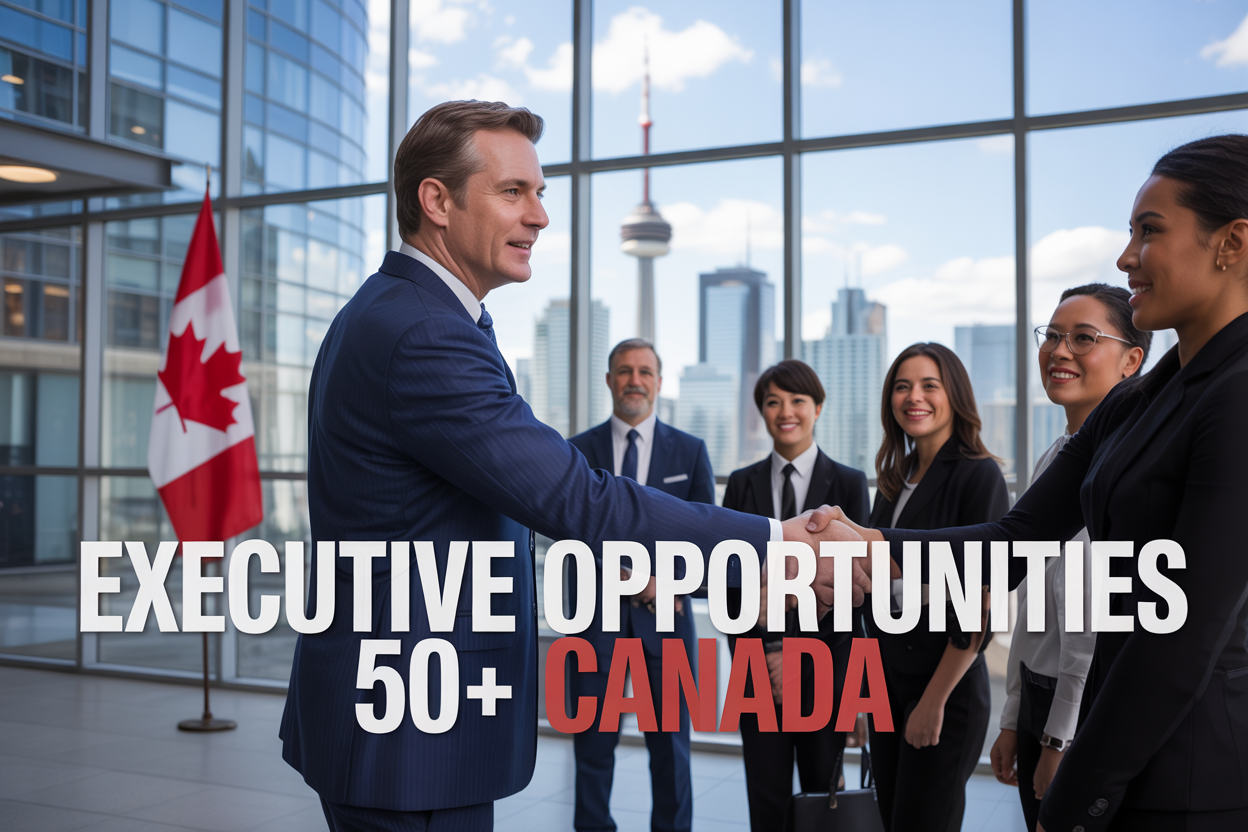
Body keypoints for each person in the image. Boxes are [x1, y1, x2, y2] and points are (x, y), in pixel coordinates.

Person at [280, 100, 861, 832]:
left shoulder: (402, 312)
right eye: (513, 191)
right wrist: (775, 545)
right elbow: (575, 497)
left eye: (542, 193)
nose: (541, 217)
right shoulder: (425, 333)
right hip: (411, 723)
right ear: (436, 201)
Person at [813, 133, 1248, 831]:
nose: (1125, 256)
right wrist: (868, 541)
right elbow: (1014, 540)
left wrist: (1077, 791)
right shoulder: (1147, 397)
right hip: (1124, 747)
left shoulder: (1235, 394)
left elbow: (1184, 635)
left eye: (1149, 231)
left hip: (1194, 775)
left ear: (1232, 242)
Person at [988, 284, 1149, 832]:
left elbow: (1089, 626)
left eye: (1083, 338)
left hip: (1081, 712)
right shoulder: (1054, 457)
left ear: (1132, 360)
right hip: (1038, 700)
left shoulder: (1122, 474)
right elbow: (1033, 605)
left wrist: (1060, 737)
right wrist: (1014, 718)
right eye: (1053, 336)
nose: (1059, 351)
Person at [566, 338, 715, 832]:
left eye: (644, 371)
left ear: (658, 381)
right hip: (595, 625)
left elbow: (706, 537)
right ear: (609, 380)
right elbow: (568, 530)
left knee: (671, 751)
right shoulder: (576, 451)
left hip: (666, 624)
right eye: (624, 371)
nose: (634, 380)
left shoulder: (689, 452)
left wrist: (659, 583)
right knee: (592, 746)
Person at [860, 342, 1008, 832]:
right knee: (894, 820)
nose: (913, 397)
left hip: (942, 685)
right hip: (887, 679)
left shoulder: (977, 474)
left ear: (955, 395)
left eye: (929, 385)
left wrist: (933, 700)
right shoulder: (895, 477)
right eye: (902, 386)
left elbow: (980, 601)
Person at [721, 359, 870, 832]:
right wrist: (763, 654)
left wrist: (839, 683)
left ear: (818, 408)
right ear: (762, 413)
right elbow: (729, 585)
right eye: (773, 401)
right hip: (757, 670)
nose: (786, 411)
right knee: (764, 801)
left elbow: (854, 591)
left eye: (797, 400)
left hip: (825, 673)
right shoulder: (741, 483)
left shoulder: (848, 483)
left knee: (823, 800)